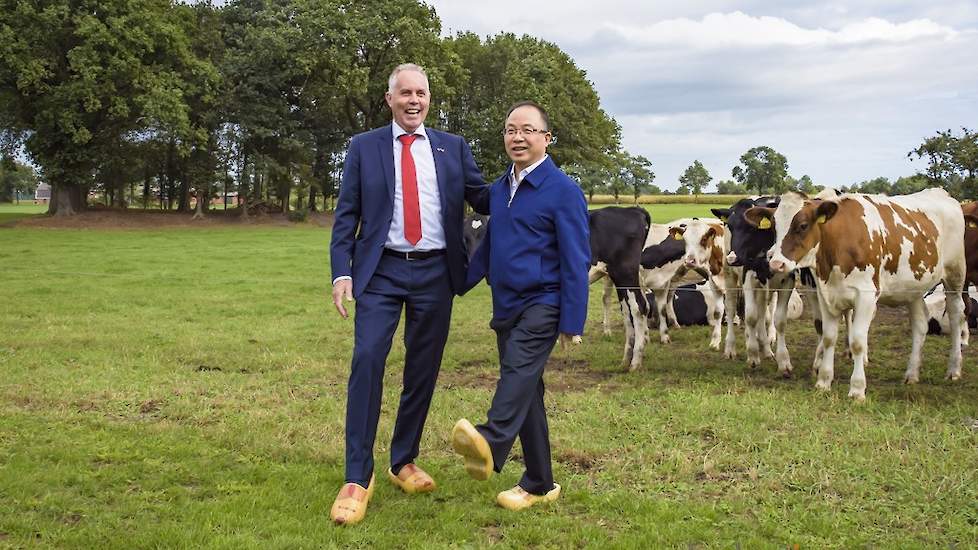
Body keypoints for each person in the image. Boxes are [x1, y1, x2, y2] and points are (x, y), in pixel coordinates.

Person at [329, 63, 490, 525]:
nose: (413, 100)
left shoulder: (452, 147)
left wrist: (527, 179)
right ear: (390, 99)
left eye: (421, 93)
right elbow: (347, 217)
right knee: (368, 361)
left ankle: (404, 460)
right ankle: (357, 477)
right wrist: (342, 273)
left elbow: (482, 196)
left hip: (436, 273)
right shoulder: (364, 148)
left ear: (429, 99)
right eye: (405, 93)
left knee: (422, 370)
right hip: (379, 275)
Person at [450, 100, 590, 511]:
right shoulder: (500, 189)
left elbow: (576, 258)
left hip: (543, 301)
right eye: (511, 129)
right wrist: (456, 284)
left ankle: (490, 441)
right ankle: (540, 483)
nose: (518, 137)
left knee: (516, 372)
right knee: (527, 390)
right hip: (506, 304)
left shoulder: (563, 191)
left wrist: (572, 320)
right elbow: (490, 245)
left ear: (546, 138)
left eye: (528, 130)